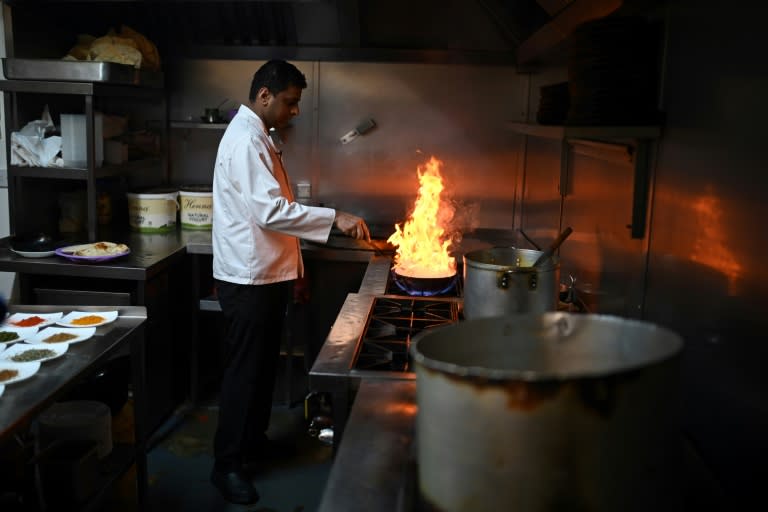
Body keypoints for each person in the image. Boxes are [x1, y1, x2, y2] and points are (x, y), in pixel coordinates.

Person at [210, 59, 370, 505]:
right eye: (290, 102)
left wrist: (295, 270)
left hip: (265, 275)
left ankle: (250, 444)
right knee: (245, 373)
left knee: (260, 370)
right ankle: (226, 466)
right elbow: (272, 213)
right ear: (265, 95)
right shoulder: (245, 141)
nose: (294, 111)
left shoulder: (262, 138)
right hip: (248, 280)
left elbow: (275, 213)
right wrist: (335, 217)